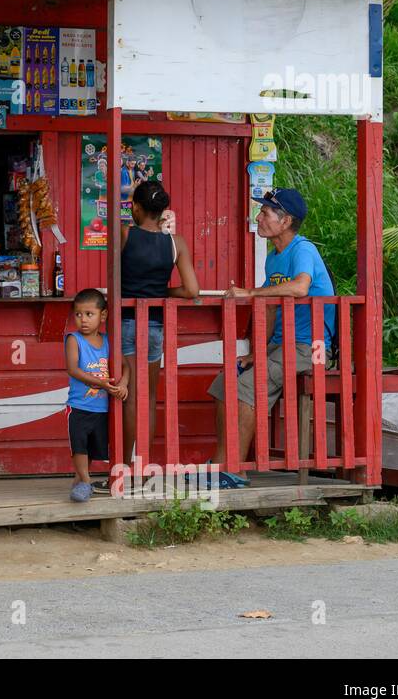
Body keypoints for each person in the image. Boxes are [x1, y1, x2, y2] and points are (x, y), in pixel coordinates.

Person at [207, 188, 335, 486]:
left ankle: (235, 472)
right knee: (225, 382)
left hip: (310, 347)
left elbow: (301, 287)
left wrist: (249, 292)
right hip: (280, 346)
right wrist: (257, 352)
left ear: (286, 220)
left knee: (246, 386)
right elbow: (270, 308)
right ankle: (222, 464)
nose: (258, 217)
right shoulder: (274, 258)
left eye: (265, 212)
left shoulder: (303, 249)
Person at [119, 180, 199, 470]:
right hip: (154, 327)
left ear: (136, 209)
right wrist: (163, 292)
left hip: (126, 324)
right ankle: (142, 466)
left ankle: (122, 466)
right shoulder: (175, 243)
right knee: (149, 396)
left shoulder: (124, 234)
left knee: (127, 395)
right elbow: (192, 290)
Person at [63, 288, 128, 502]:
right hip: (79, 405)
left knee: (92, 448)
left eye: (89, 314)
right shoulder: (74, 339)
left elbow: (126, 366)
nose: (83, 320)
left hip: (101, 407)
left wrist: (124, 385)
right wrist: (101, 383)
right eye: (78, 314)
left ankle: (79, 481)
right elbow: (73, 369)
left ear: (103, 315)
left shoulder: (109, 342)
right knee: (79, 445)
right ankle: (86, 482)